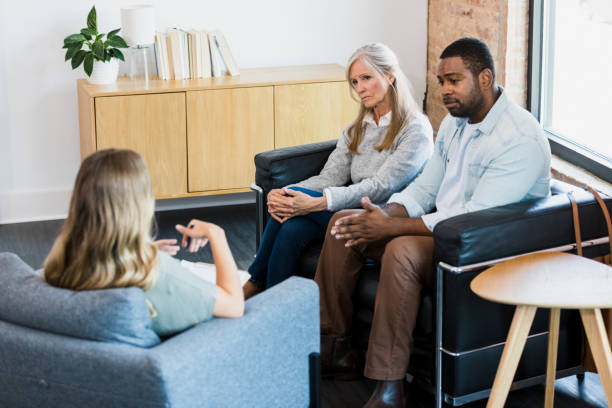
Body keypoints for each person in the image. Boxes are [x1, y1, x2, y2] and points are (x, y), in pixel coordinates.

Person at [315, 37, 551, 408]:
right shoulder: (457, 123)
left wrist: (394, 228)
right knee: (344, 223)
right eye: (441, 81)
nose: (444, 91)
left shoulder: (518, 137)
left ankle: (389, 386)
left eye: (454, 80)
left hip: (481, 246)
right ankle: (336, 347)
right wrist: (385, 215)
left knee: (403, 250)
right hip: (442, 231)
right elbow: (425, 188)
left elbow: (474, 217)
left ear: (485, 78)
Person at [243, 43, 434, 299]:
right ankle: (276, 307)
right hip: (347, 208)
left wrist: (319, 203)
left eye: (366, 78)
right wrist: (285, 192)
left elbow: (381, 187)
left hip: (382, 215)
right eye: (355, 82)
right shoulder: (356, 129)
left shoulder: (415, 130)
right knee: (292, 228)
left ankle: (254, 282)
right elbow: (330, 177)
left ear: (389, 75)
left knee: (294, 213)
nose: (360, 88)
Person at [44, 149, 244, 336]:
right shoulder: (160, 279)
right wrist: (215, 233)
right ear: (138, 206)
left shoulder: (60, 269)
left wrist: (132, 252)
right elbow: (234, 305)